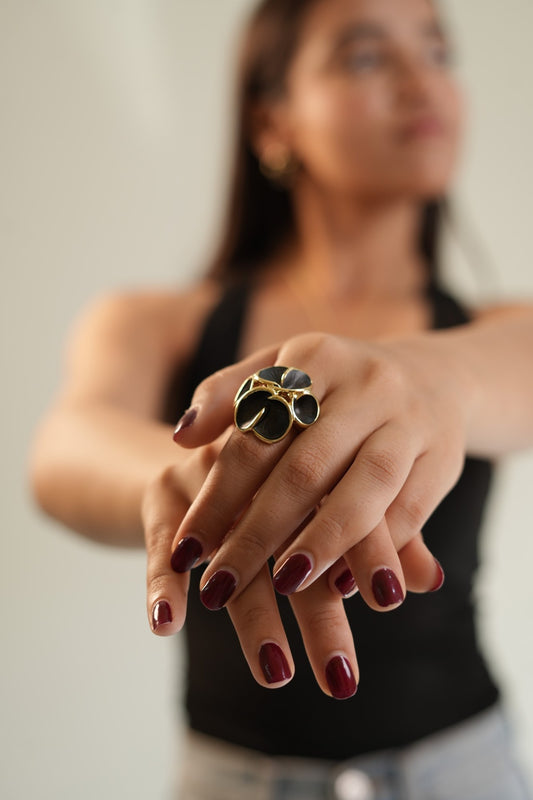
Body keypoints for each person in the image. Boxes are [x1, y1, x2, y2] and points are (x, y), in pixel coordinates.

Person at [29, 0, 533, 797]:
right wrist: (190, 478)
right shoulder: (158, 322)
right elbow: (66, 445)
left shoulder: (496, 328)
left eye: (436, 50)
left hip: (462, 770)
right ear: (272, 122)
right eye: (366, 57)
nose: (420, 82)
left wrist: (438, 380)